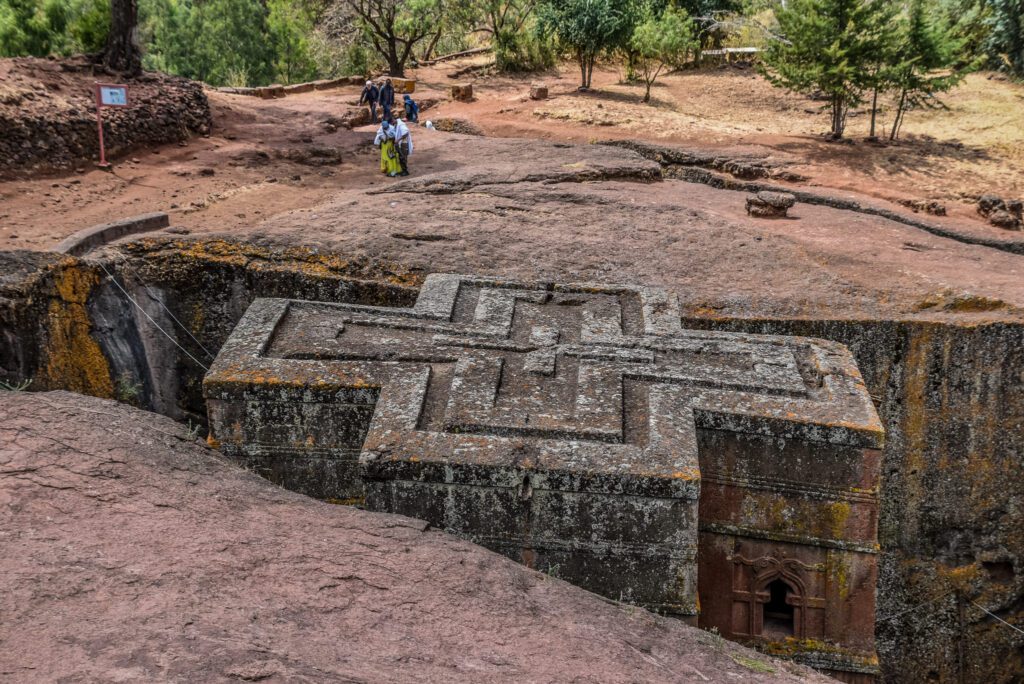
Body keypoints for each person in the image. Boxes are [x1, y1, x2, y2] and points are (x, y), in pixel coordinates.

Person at [387, 112, 413, 176]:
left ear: (393, 120)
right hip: (401, 144)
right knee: (401, 158)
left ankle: (405, 171)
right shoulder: (397, 124)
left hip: (404, 144)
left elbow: (406, 133)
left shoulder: (401, 125)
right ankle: (403, 170)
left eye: (392, 123)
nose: (392, 124)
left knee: (403, 158)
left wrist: (398, 140)